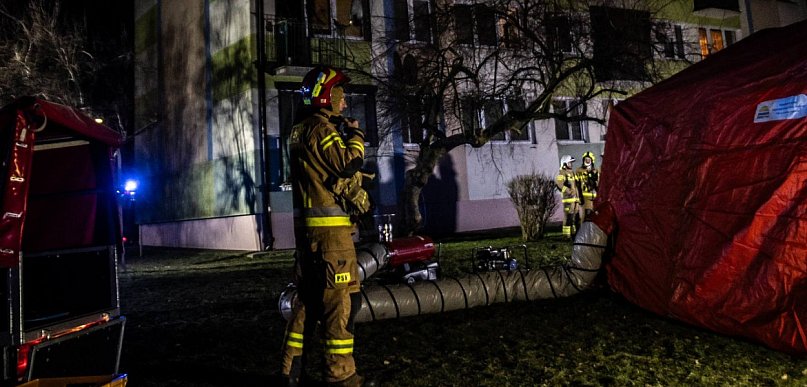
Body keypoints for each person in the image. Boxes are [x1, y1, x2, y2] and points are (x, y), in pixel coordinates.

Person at [280, 66, 373, 387]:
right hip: (331, 239)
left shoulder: (300, 131)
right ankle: (340, 375)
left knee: (307, 303)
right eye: (340, 97)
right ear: (325, 97)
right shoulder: (320, 129)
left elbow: (324, 174)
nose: (344, 104)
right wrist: (357, 135)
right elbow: (348, 163)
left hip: (310, 237)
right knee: (340, 305)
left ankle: (290, 371)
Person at [555, 155, 582, 239]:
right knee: (568, 217)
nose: (571, 164)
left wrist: (578, 197)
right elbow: (559, 184)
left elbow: (576, 185)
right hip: (568, 200)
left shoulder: (572, 172)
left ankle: (573, 234)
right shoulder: (562, 173)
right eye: (569, 163)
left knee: (575, 217)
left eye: (571, 163)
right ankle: (566, 236)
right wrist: (568, 191)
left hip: (575, 199)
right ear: (564, 163)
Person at [575, 151, 600, 221]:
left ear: (592, 160)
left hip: (595, 196)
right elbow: (577, 184)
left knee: (595, 215)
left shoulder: (595, 171)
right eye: (586, 159)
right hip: (585, 196)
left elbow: (598, 184)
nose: (587, 161)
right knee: (587, 214)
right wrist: (579, 196)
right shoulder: (579, 171)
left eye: (589, 159)